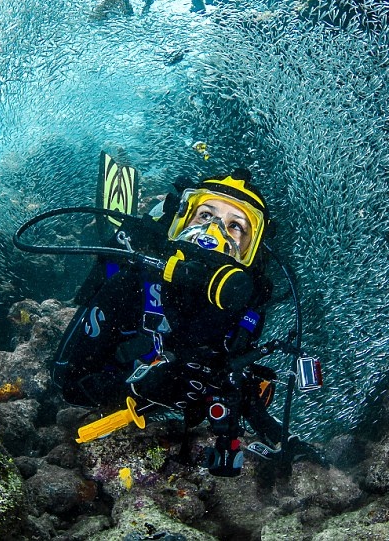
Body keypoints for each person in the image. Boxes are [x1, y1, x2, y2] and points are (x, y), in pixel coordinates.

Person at [52, 168, 298, 476]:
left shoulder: (244, 310)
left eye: (236, 226)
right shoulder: (131, 284)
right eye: (205, 214)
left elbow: (231, 376)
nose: (213, 233)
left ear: (251, 249)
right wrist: (137, 389)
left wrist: (273, 431)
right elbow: (68, 382)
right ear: (182, 219)